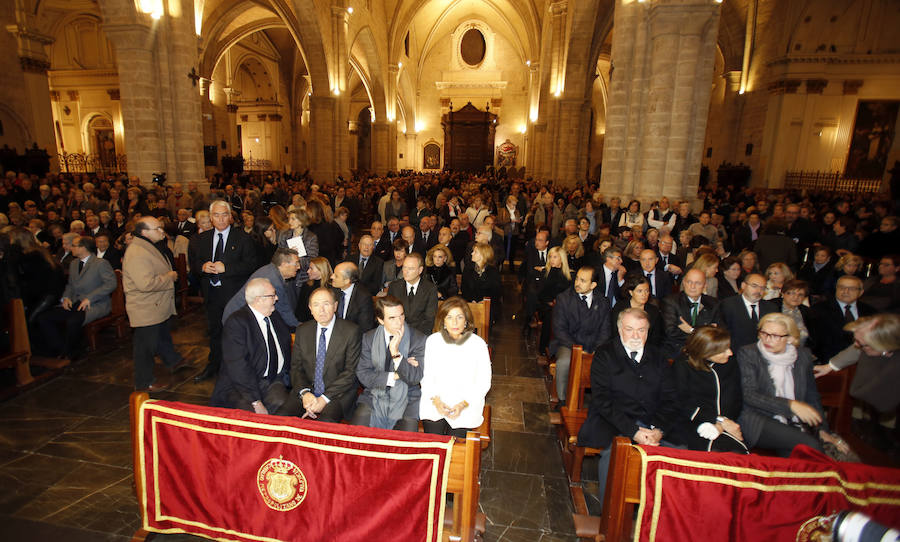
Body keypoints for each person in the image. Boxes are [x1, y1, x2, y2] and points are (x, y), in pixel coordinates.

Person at [578, 308, 681, 504]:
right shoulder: (605, 355)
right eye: (629, 329)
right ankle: (610, 512)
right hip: (614, 420)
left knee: (679, 452)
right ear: (619, 329)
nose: (636, 336)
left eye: (641, 330)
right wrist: (633, 431)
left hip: (652, 422)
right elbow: (602, 401)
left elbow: (670, 399)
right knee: (616, 454)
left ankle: (661, 512)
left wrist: (657, 429)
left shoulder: (658, 357)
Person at [737, 313, 848, 457]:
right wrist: (791, 406)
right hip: (758, 418)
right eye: (763, 333)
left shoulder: (803, 356)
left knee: (797, 454)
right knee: (810, 446)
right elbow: (749, 395)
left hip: (792, 421)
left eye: (776, 336)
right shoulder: (749, 353)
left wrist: (822, 429)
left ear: (790, 338)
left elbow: (811, 395)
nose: (767, 339)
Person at [188, 200, 258, 382]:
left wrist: (226, 268)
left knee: (236, 333)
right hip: (211, 293)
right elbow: (193, 264)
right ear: (210, 218)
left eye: (224, 214)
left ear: (230, 217)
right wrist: (202, 267)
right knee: (214, 331)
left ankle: (238, 369)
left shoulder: (243, 238)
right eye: (216, 215)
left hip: (234, 295)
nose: (220, 219)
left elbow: (251, 265)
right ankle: (214, 365)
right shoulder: (200, 239)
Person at [210, 278, 293, 414]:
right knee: (251, 413)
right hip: (242, 385)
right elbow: (238, 366)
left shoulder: (273, 316)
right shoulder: (237, 323)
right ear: (259, 299)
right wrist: (255, 401)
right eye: (273, 295)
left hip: (273, 380)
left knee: (284, 406)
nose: (277, 298)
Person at [123, 217, 187, 391]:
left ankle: (172, 360)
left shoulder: (147, 245)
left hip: (156, 306)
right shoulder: (137, 252)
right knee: (145, 348)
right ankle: (144, 383)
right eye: (157, 229)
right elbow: (145, 284)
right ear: (144, 232)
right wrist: (169, 277)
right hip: (146, 308)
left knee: (160, 335)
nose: (162, 231)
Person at [34, 235, 116, 361]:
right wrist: (66, 297)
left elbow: (111, 284)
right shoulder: (74, 264)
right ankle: (60, 348)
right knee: (44, 318)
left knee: (73, 321)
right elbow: (70, 285)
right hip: (75, 302)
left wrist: (90, 298)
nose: (71, 247)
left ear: (84, 248)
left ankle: (71, 352)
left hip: (95, 304)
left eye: (74, 245)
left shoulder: (100, 263)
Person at [419, 297, 492, 437]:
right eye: (449, 317)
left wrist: (462, 404)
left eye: (459, 317)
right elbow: (426, 377)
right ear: (443, 321)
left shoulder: (478, 344)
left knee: (456, 442)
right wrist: (437, 401)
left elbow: (483, 382)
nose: (454, 322)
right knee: (434, 439)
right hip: (436, 401)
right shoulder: (433, 341)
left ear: (466, 321)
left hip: (466, 403)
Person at [352, 296, 426, 431]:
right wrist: (396, 375)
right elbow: (363, 375)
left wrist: (396, 353)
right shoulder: (369, 338)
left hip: (408, 396)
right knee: (358, 433)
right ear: (380, 320)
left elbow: (414, 378)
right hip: (374, 394)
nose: (399, 322)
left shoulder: (418, 339)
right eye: (392, 318)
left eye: (401, 315)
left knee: (407, 437)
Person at [288, 287, 362, 422]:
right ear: (310, 308)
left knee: (325, 425)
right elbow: (296, 369)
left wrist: (323, 399)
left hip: (337, 393)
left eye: (326, 304)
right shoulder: (303, 330)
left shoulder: (351, 331)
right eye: (316, 305)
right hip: (307, 391)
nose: (321, 310)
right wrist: (305, 394)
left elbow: (350, 373)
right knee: (281, 418)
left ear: (335, 306)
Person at [673, 326, 747, 453]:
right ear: (706, 352)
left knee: (736, 455)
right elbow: (682, 405)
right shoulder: (683, 366)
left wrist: (721, 425)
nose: (730, 353)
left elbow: (736, 400)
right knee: (721, 454)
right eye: (723, 350)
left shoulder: (730, 363)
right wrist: (718, 420)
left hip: (727, 424)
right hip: (693, 423)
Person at [814, 314, 900, 416]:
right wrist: (831, 366)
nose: (855, 345)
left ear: (882, 346)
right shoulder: (873, 342)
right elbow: (856, 350)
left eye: (860, 343)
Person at [550, 266, 612, 403]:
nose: (577, 283)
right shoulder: (564, 299)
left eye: (583, 280)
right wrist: (578, 349)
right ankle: (562, 400)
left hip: (594, 345)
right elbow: (560, 330)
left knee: (608, 362)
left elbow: (605, 330)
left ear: (593, 284)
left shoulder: (603, 302)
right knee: (565, 362)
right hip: (568, 344)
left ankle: (600, 402)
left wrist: (596, 349)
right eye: (577, 278)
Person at [222, 247, 301, 329]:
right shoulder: (273, 281)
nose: (298, 267)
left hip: (239, 316)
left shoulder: (271, 270)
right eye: (296, 263)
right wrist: (300, 327)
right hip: (237, 321)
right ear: (284, 264)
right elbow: (284, 312)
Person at [809, 275, 876, 362]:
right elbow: (815, 342)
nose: (846, 291)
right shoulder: (818, 310)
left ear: (861, 292)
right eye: (842, 287)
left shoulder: (871, 312)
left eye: (852, 288)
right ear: (836, 289)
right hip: (830, 360)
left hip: (864, 360)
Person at [661, 268, 720, 359]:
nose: (692, 286)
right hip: (678, 350)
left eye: (698, 283)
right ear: (684, 283)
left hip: (705, 350)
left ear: (705, 286)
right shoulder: (671, 301)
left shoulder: (713, 303)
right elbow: (671, 332)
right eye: (689, 282)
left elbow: (715, 333)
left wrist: (691, 330)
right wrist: (702, 332)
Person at [717, 273, 777, 349]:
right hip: (735, 353)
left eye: (762, 288)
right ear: (743, 286)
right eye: (754, 286)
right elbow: (723, 333)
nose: (758, 291)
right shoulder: (728, 305)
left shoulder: (771, 308)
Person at [387, 252, 439, 336]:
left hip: (419, 336)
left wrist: (411, 336)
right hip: (397, 333)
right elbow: (389, 314)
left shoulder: (430, 289)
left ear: (420, 270)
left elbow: (429, 320)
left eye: (410, 269)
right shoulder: (394, 287)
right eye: (404, 267)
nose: (406, 271)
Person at [611, 274, 664, 347]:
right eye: (640, 291)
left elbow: (656, 338)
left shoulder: (653, 311)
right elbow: (615, 334)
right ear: (631, 292)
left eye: (647, 291)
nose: (644, 294)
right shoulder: (620, 308)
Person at [460, 242, 502, 323]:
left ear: (483, 254)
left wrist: (485, 301)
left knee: (486, 317)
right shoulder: (468, 269)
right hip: (471, 303)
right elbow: (464, 288)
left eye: (475, 252)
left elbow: (497, 292)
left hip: (488, 305)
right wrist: (472, 300)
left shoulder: (493, 271)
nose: (472, 253)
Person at [331, 261, 375, 332]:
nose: (331, 276)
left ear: (347, 281)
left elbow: (365, 328)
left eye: (336, 275)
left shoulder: (363, 298)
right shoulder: (333, 291)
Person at [277, 208, 319, 284]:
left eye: (293, 219)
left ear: (301, 221)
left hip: (302, 277)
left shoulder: (311, 237)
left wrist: (296, 259)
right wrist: (288, 255)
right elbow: (279, 253)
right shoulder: (285, 235)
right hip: (286, 275)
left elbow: (312, 259)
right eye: (289, 219)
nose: (289, 222)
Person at [775, 279, 812, 346]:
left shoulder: (807, 312)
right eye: (792, 293)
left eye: (800, 295)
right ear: (783, 293)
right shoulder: (772, 307)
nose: (796, 297)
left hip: (801, 351)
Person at [296, 256, 332, 322]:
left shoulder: (331, 287)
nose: (308, 271)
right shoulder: (306, 285)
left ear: (321, 270)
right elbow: (300, 309)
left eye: (311, 268)